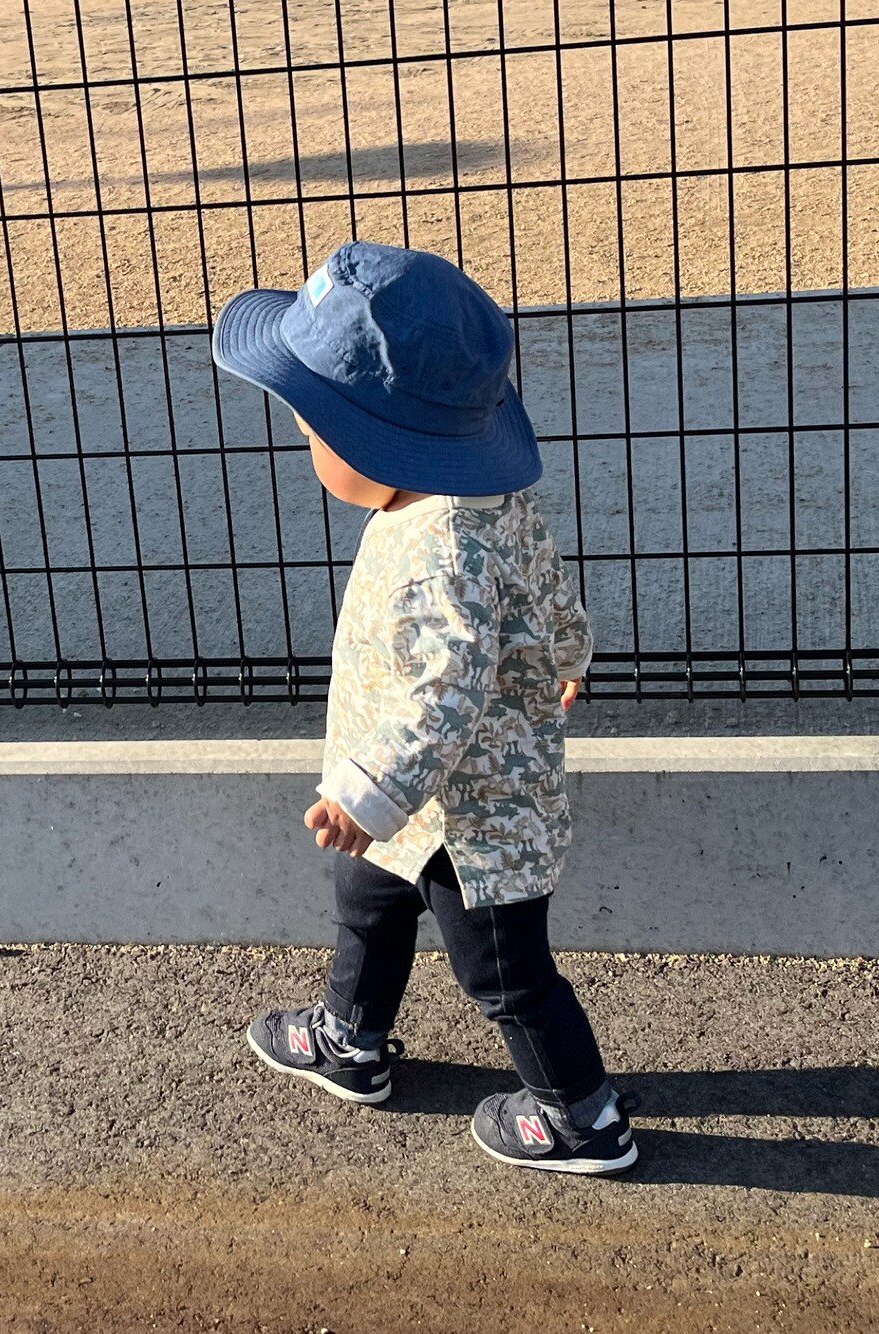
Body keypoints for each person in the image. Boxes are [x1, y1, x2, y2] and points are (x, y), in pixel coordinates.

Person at [211, 240, 638, 1175]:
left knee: (505, 974)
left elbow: (443, 694)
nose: (306, 443)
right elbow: (548, 586)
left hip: (476, 821)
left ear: (373, 438)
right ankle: (350, 1040)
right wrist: (569, 652)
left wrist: (367, 794)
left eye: (313, 428)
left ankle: (584, 1119)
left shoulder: (441, 547)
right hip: (413, 807)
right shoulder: (482, 496)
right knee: (366, 903)